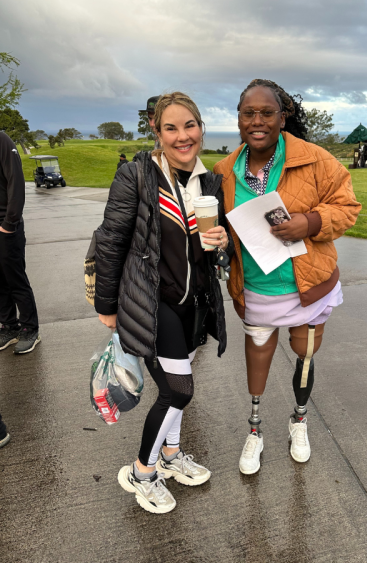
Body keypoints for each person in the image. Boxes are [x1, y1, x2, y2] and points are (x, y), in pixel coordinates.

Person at [213, 79, 360, 475]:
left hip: (308, 288)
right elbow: (221, 229)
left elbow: (348, 206)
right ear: (239, 118)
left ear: (283, 116)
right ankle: (255, 429)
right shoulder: (224, 171)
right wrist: (219, 243)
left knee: (305, 355)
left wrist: (309, 222)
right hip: (257, 288)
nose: (257, 121)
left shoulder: (316, 159)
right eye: (248, 113)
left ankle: (299, 421)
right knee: (257, 360)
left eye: (267, 112)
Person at [93, 92, 232, 514]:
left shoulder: (209, 182)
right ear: (156, 130)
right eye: (170, 127)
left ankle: (171, 457)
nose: (182, 136)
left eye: (189, 125)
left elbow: (213, 249)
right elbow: (111, 242)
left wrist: (222, 243)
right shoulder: (136, 176)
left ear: (201, 127)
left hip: (192, 302)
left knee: (179, 383)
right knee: (178, 390)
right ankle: (141, 472)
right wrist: (106, 305)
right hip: (150, 302)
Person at [0, 131, 40, 354]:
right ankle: (8, 326)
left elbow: (16, 182)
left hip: (6, 225)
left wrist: (9, 223)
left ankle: (30, 329)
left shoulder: (2, 141)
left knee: (15, 279)